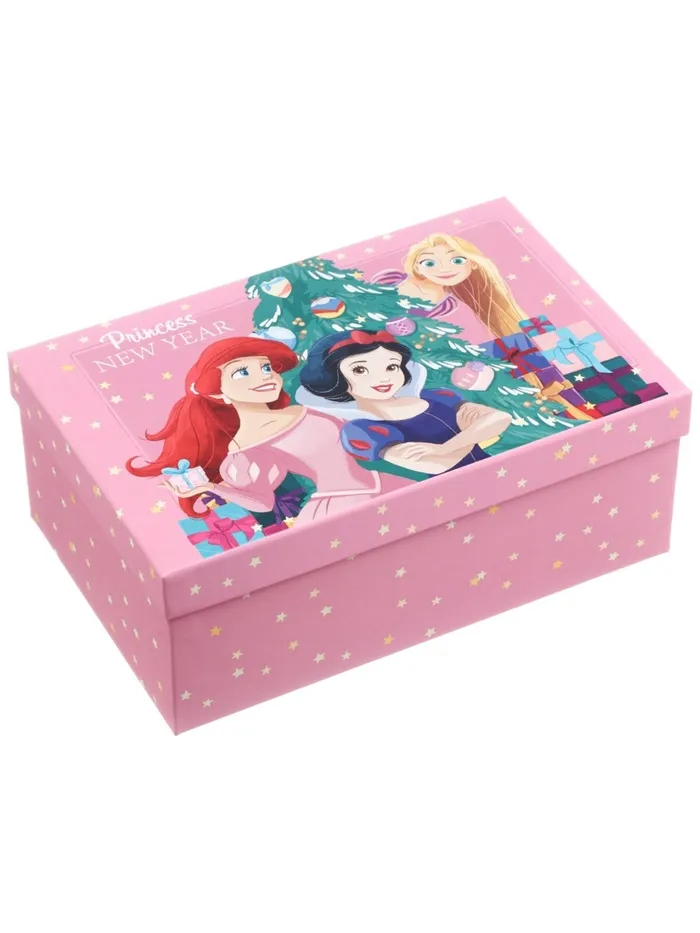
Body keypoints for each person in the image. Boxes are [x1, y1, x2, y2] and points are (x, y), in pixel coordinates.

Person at [126, 336, 406, 523]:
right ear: (218, 391)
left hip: (391, 485)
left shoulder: (300, 409)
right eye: (242, 372)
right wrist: (211, 487)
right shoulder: (245, 448)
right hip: (344, 506)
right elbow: (262, 502)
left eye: (266, 367)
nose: (265, 376)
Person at [296, 330, 512, 476]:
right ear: (334, 379)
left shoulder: (436, 396)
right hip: (456, 494)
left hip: (501, 470)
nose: (383, 378)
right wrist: (473, 433)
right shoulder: (362, 430)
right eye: (360, 370)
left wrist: (445, 447)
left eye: (391, 367)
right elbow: (436, 465)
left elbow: (500, 418)